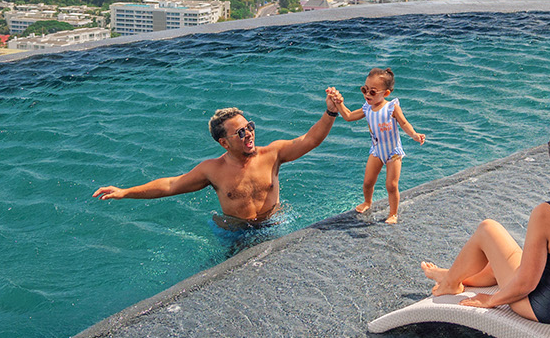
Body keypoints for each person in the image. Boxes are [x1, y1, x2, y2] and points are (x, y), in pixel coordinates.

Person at [419, 114, 550, 324]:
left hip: (548, 308)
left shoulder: (547, 214)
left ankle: (450, 283)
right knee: (497, 266)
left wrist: (491, 300)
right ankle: (452, 275)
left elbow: (527, 283)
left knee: (487, 229)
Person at [91, 90, 343, 225]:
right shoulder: (212, 170)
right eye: (241, 132)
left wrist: (330, 113)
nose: (249, 134)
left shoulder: (272, 154)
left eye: (250, 127)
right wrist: (125, 192)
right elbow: (170, 185)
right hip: (236, 231)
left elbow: (310, 140)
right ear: (224, 142)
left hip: (274, 223)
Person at [329, 67, 425, 224]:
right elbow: (348, 116)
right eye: (364, 89)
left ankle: (393, 213)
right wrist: (339, 103)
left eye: (372, 92)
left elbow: (404, 123)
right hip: (377, 150)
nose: (367, 94)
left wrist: (414, 135)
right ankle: (367, 202)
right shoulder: (367, 108)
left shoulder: (391, 107)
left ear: (386, 93)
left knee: (391, 185)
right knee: (368, 182)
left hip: (393, 152)